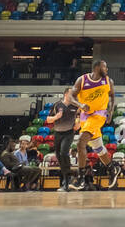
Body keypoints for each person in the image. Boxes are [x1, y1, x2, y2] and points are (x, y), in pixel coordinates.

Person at [62, 60, 118, 191]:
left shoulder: (108, 81)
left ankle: (80, 179)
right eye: (105, 66)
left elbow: (112, 96)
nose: (107, 69)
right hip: (85, 117)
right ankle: (112, 169)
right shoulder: (82, 80)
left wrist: (110, 111)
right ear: (98, 67)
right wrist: (81, 105)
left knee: (81, 143)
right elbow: (71, 97)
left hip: (99, 115)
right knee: (98, 148)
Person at [45, 95, 80, 191]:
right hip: (58, 132)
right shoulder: (57, 105)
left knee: (64, 152)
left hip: (69, 132)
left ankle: (68, 178)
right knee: (58, 155)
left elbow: (81, 116)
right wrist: (56, 117)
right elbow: (48, 119)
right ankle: (68, 177)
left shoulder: (75, 106)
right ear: (65, 94)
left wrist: (78, 122)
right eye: (71, 93)